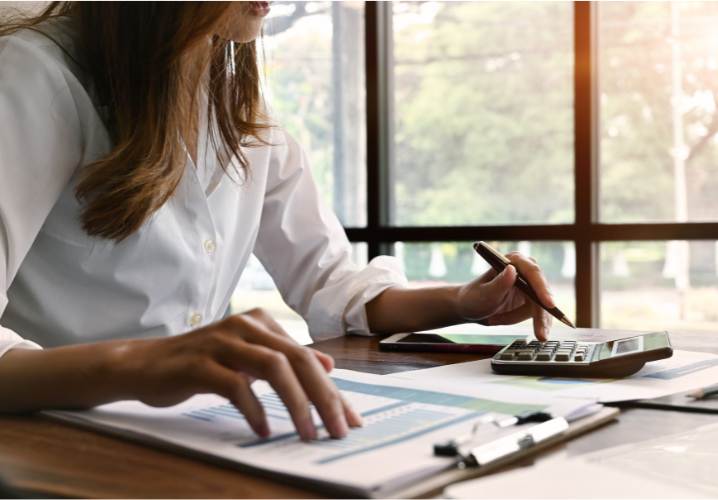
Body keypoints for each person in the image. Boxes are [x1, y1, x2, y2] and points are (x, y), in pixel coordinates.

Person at [0, 2, 556, 441]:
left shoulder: (237, 104)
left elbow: (332, 283)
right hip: (51, 444)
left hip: (193, 435)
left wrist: (461, 301)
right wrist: (142, 364)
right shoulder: (33, 76)